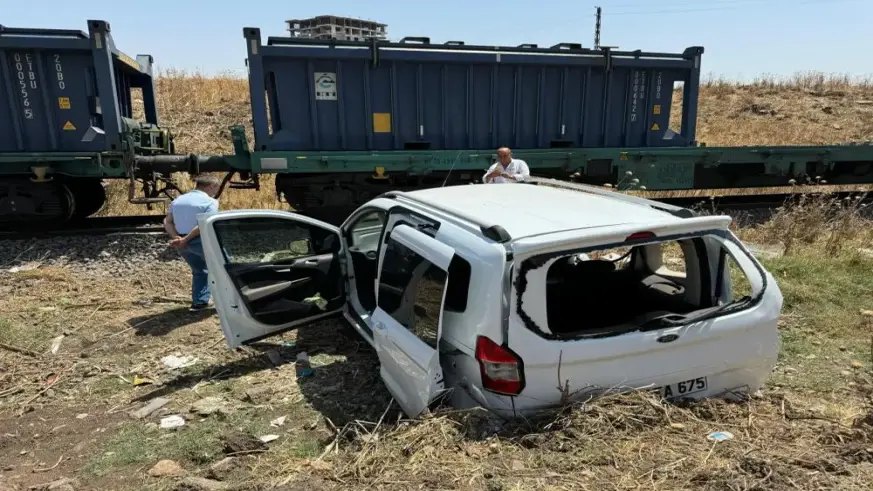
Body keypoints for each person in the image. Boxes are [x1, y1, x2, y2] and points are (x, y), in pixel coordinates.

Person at [163, 175, 222, 311]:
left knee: (199, 270)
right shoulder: (210, 202)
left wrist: (177, 238)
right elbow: (204, 224)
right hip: (200, 240)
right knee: (221, 268)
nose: (215, 192)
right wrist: (186, 239)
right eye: (215, 189)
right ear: (210, 186)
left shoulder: (178, 200)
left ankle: (199, 303)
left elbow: (167, 221)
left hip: (182, 243)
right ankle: (229, 302)